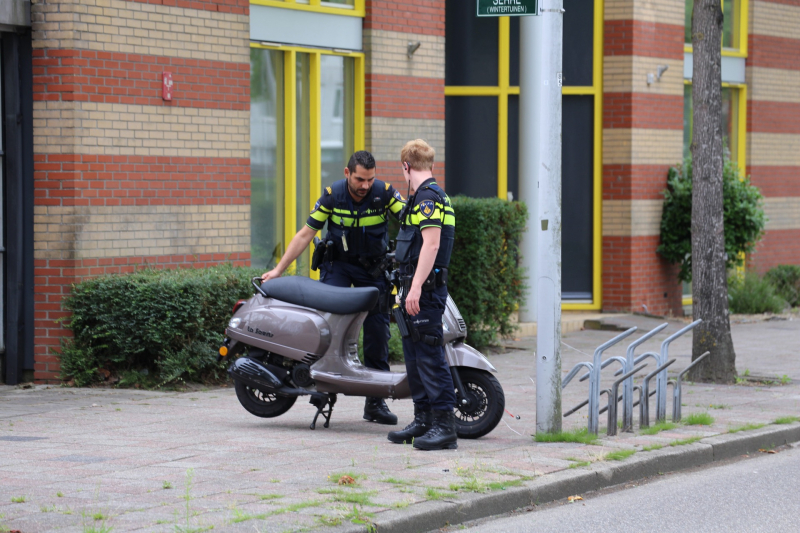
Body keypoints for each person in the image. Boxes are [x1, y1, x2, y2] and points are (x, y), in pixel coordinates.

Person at [262, 150, 405, 425]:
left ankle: (375, 403)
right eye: (360, 179)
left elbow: (411, 220)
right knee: (328, 327)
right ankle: (322, 392)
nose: (365, 185)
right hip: (337, 266)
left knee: (377, 331)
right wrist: (278, 270)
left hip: (373, 270)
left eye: (370, 179)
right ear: (347, 173)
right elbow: (306, 234)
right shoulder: (332, 195)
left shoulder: (385, 193)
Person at [387, 139, 457, 451]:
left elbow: (431, 244)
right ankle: (424, 420)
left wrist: (415, 287)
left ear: (406, 166)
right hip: (413, 291)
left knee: (429, 357)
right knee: (415, 358)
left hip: (424, 292)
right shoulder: (420, 198)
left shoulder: (429, 197)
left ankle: (444, 426)